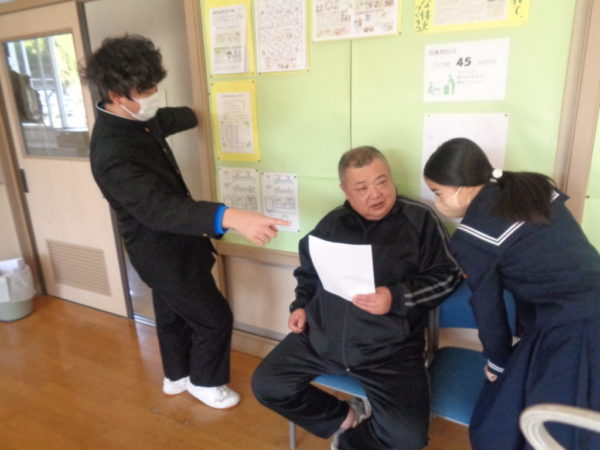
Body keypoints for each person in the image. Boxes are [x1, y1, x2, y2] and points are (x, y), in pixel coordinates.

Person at [82, 35, 289, 410]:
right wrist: (232, 217)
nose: (153, 95)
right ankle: (206, 383)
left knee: (171, 312)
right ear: (114, 94)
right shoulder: (111, 151)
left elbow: (165, 119)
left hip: (176, 244)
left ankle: (176, 376)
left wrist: (198, 113)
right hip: (160, 252)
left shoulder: (135, 121)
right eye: (145, 90)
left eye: (154, 85)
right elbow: (158, 208)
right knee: (214, 318)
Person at [252, 146, 461, 449]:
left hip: (390, 349)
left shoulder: (420, 220)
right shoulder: (332, 223)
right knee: (267, 385)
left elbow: (448, 275)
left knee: (408, 438)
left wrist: (396, 297)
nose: (375, 194)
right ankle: (346, 417)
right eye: (362, 187)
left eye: (382, 181)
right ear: (345, 190)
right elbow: (309, 272)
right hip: (322, 337)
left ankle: (350, 443)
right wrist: (301, 306)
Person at [423, 137, 600, 449]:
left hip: (574, 328)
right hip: (574, 309)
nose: (436, 201)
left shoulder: (472, 237)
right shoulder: (531, 189)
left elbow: (488, 308)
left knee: (520, 425)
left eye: (438, 192)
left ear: (462, 188)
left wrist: (497, 363)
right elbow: (540, 268)